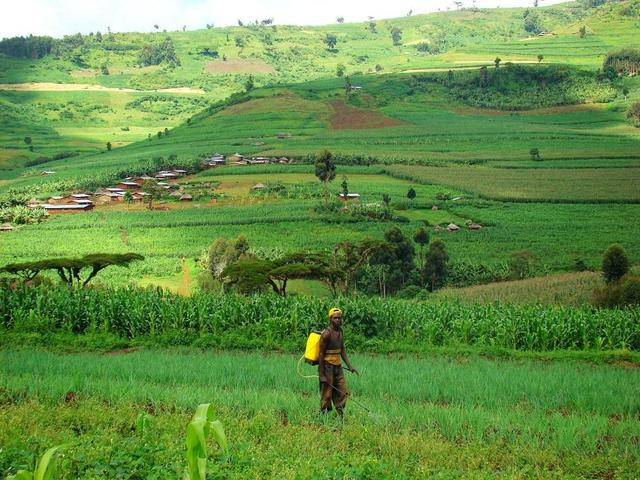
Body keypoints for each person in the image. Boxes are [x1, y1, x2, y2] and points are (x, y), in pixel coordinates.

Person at [318, 307, 359, 415]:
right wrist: (321, 374)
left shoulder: (340, 332)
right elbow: (321, 354)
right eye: (335, 318)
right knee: (327, 393)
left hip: (338, 367)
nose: (338, 320)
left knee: (342, 391)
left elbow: (342, 350)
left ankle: (340, 414)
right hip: (327, 367)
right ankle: (324, 414)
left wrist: (350, 367)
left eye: (340, 318)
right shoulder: (326, 334)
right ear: (330, 319)